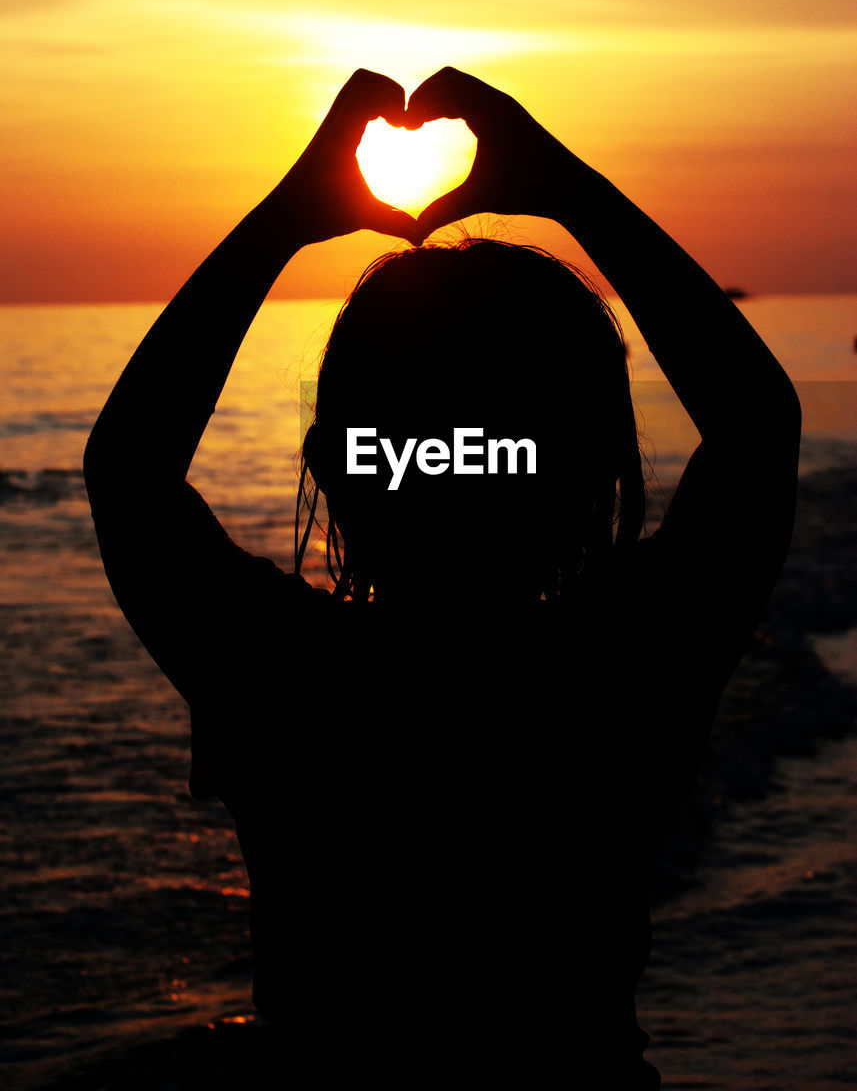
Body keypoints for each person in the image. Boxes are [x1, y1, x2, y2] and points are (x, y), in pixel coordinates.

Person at [84, 67, 801, 1086]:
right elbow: (756, 429)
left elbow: (126, 472)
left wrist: (287, 216)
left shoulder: (281, 669)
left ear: (333, 460)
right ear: (595, 463)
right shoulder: (621, 662)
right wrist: (563, 186)